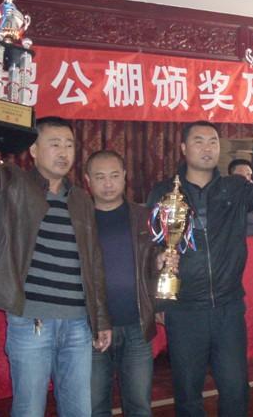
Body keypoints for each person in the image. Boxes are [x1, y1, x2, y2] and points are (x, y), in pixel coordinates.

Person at [0, 76, 111, 417]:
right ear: (33, 150)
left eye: (69, 145)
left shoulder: (81, 199)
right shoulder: (12, 183)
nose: (63, 152)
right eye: (54, 144)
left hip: (78, 323)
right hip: (32, 321)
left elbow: (93, 262)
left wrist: (100, 318)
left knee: (79, 409)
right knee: (29, 409)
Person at [147, 121, 253, 417]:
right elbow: (150, 246)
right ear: (183, 148)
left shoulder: (236, 188)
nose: (207, 148)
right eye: (198, 141)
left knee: (236, 388)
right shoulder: (164, 192)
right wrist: (160, 300)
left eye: (213, 141)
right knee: (188, 393)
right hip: (184, 310)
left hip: (228, 307)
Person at [85, 150, 158, 417]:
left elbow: (158, 262)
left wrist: (162, 262)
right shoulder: (78, 220)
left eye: (114, 176)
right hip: (91, 326)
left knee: (139, 405)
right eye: (100, 177)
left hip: (137, 324)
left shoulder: (145, 216)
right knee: (94, 406)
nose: (108, 183)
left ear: (125, 176)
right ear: (87, 180)